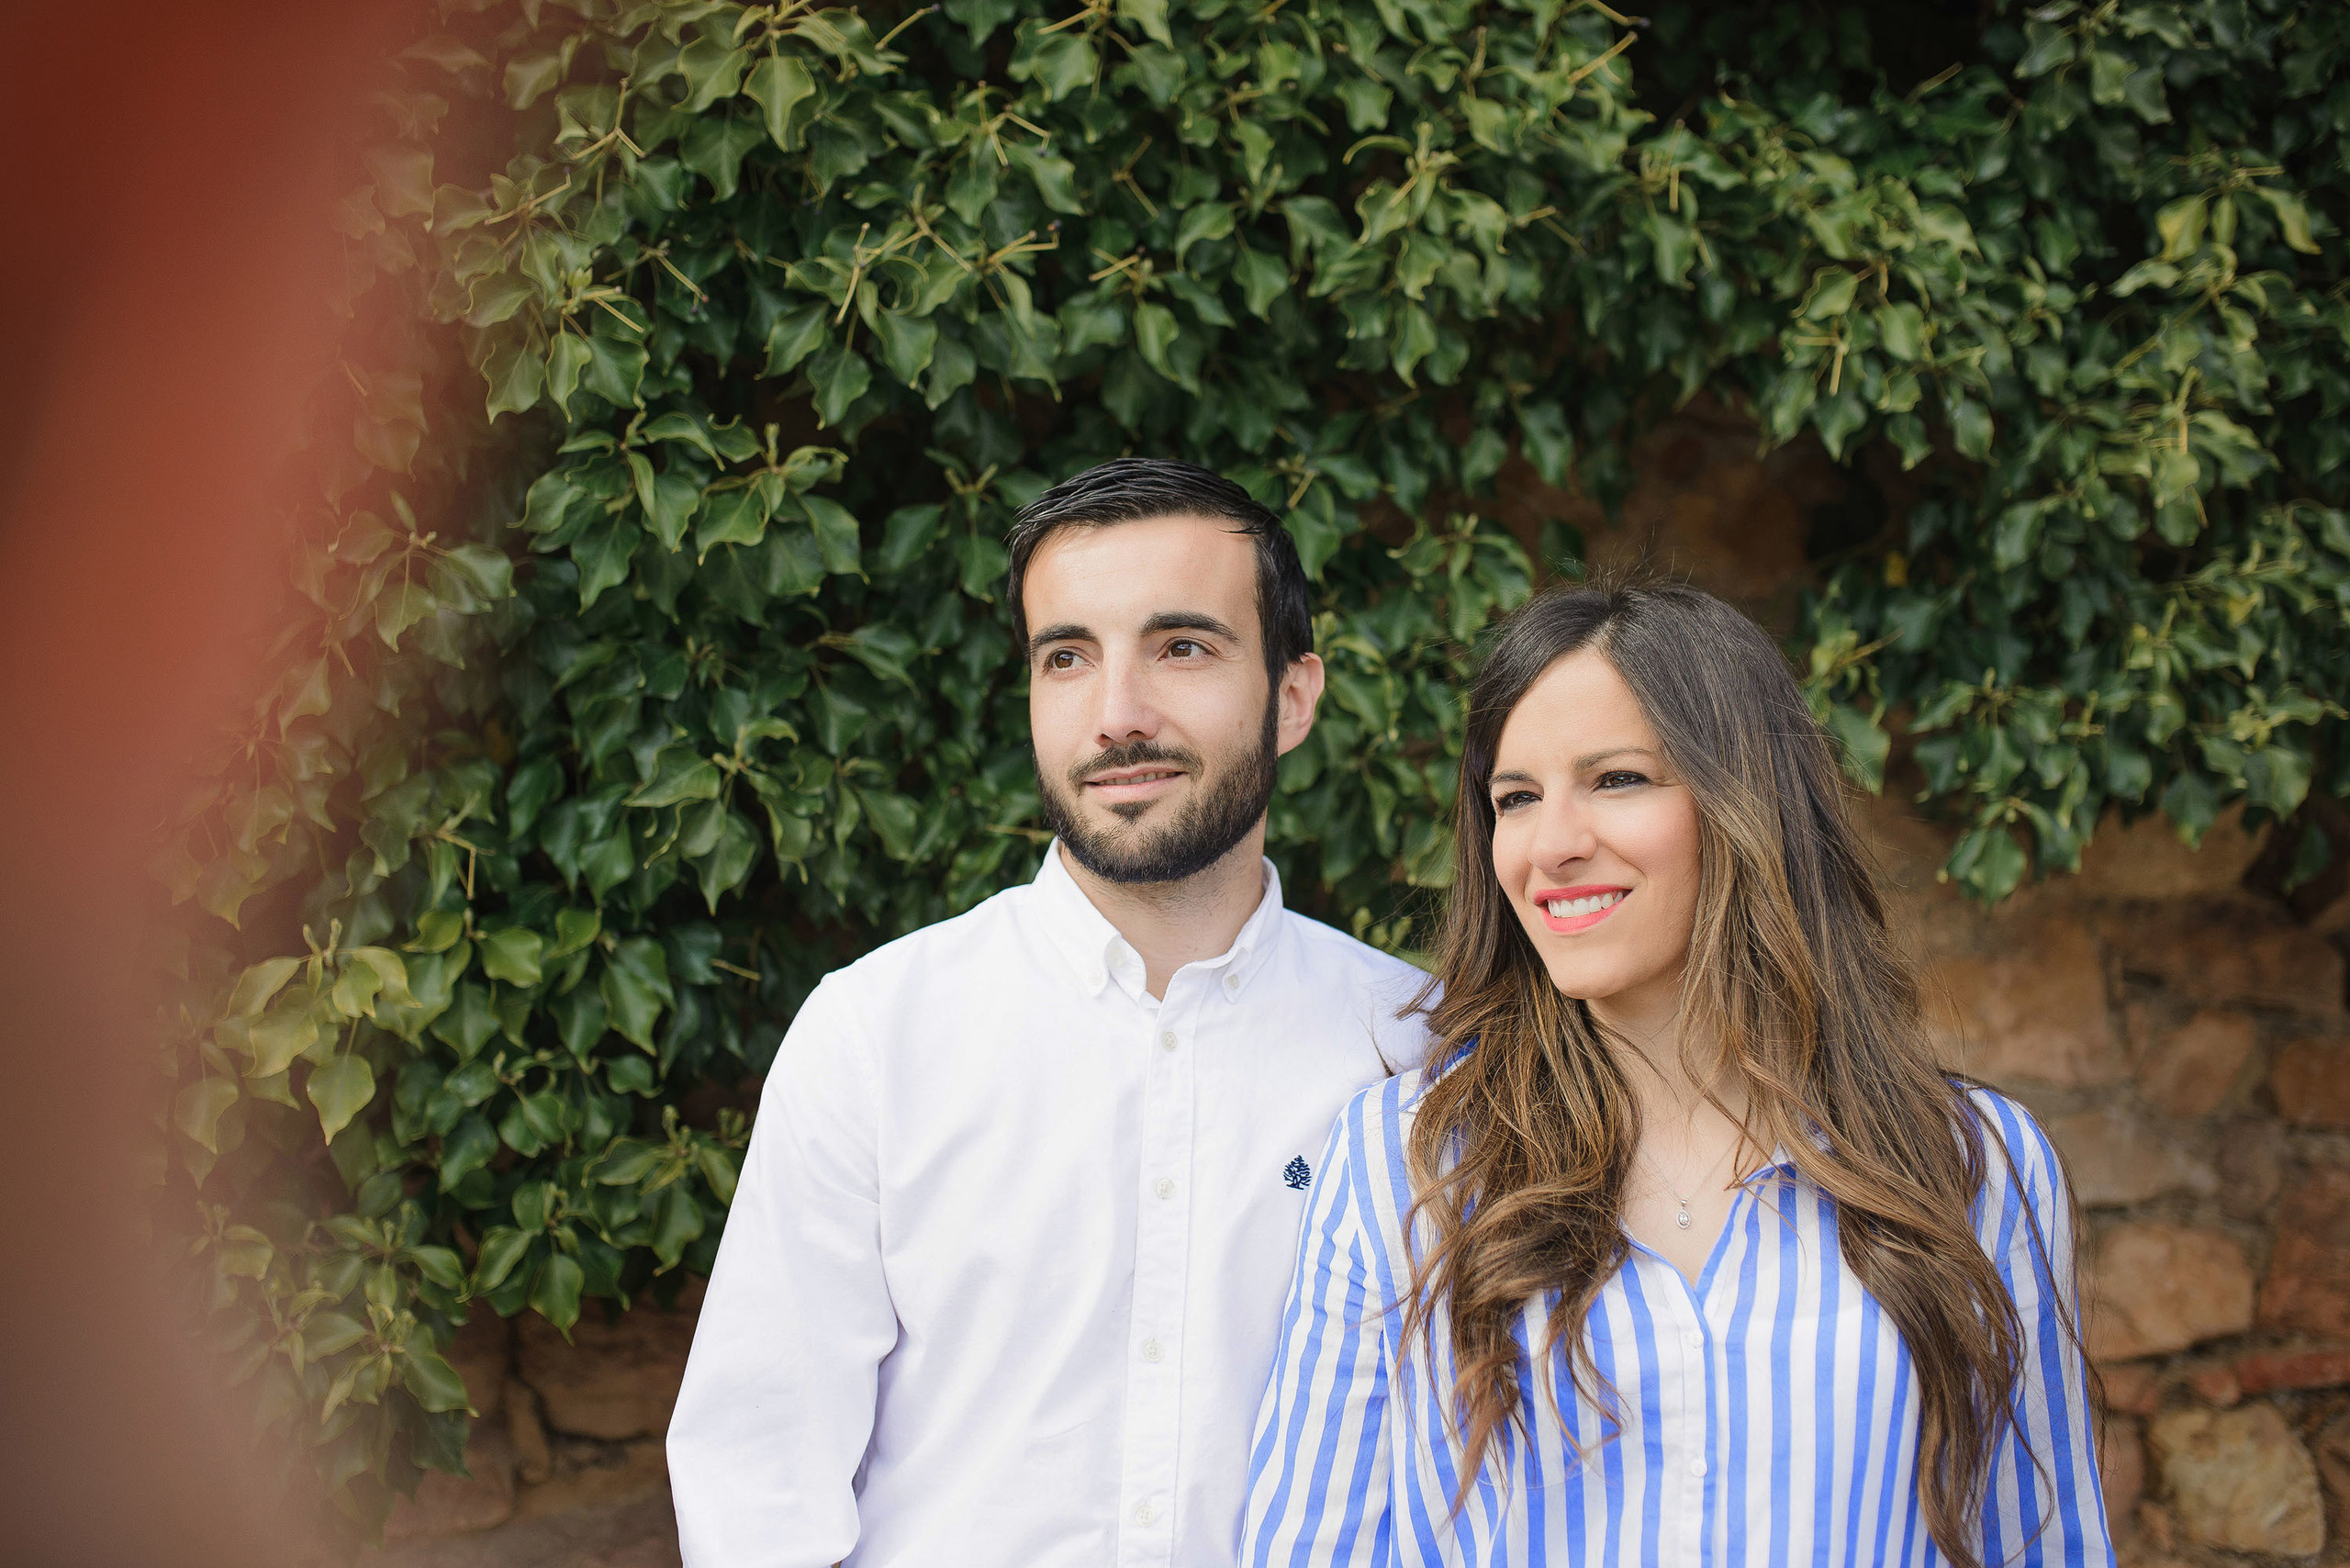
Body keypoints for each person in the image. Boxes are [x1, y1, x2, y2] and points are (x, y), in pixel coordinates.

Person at [1243, 584, 2113, 1567]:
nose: (1553, 843)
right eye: (1515, 798)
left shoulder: (1970, 1166)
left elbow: (2042, 1544)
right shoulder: (1406, 1161)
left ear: (1748, 803)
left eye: (1615, 779)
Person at [667, 459, 1431, 1567]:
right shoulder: (876, 1037)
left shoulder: (1413, 1046)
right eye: (1066, 657)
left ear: (1295, 697)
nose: (1117, 716)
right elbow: (759, 1488)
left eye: (1182, 647)